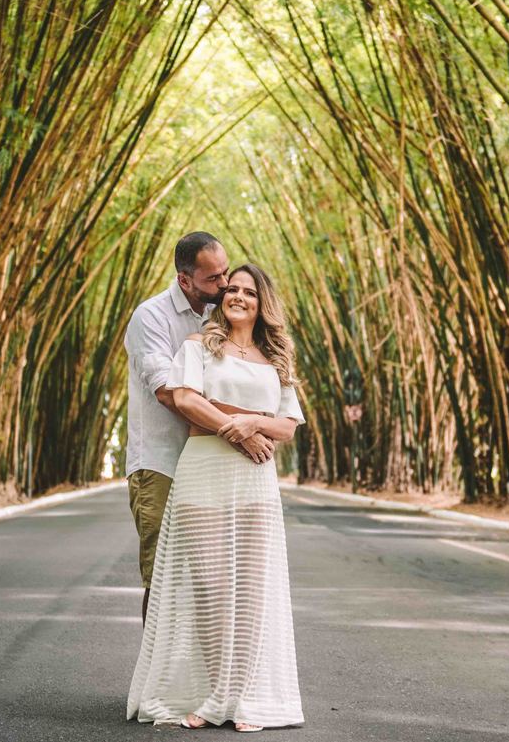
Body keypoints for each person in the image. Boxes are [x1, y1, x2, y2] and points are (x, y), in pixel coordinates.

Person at [127, 264, 306, 733]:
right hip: (203, 472)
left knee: (250, 595)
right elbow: (186, 400)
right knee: (209, 589)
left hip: (254, 481)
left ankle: (239, 698)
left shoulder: (277, 358)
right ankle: (216, 693)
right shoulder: (198, 346)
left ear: (263, 303)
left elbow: (287, 425)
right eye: (232, 289)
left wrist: (253, 423)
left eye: (249, 292)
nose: (238, 296)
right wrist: (238, 429)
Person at [124, 233, 276, 626]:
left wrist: (254, 422)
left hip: (213, 466)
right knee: (162, 578)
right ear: (185, 280)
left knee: (213, 582)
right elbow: (170, 394)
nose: (225, 284)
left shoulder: (219, 314)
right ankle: (154, 666)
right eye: (214, 278)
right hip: (161, 463)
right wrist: (240, 430)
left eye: (226, 272)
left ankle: (204, 665)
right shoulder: (151, 317)